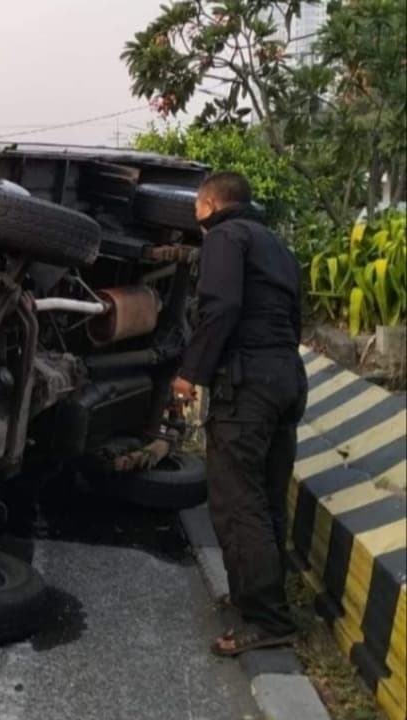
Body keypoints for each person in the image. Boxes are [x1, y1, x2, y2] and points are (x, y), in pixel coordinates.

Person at [172, 171, 307, 656]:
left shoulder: (225, 237)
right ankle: (262, 596)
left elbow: (221, 307)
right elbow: (295, 318)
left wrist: (191, 373)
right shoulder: (276, 244)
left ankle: (267, 619)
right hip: (285, 376)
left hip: (247, 385)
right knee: (267, 495)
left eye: (196, 211)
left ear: (208, 205)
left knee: (236, 501)